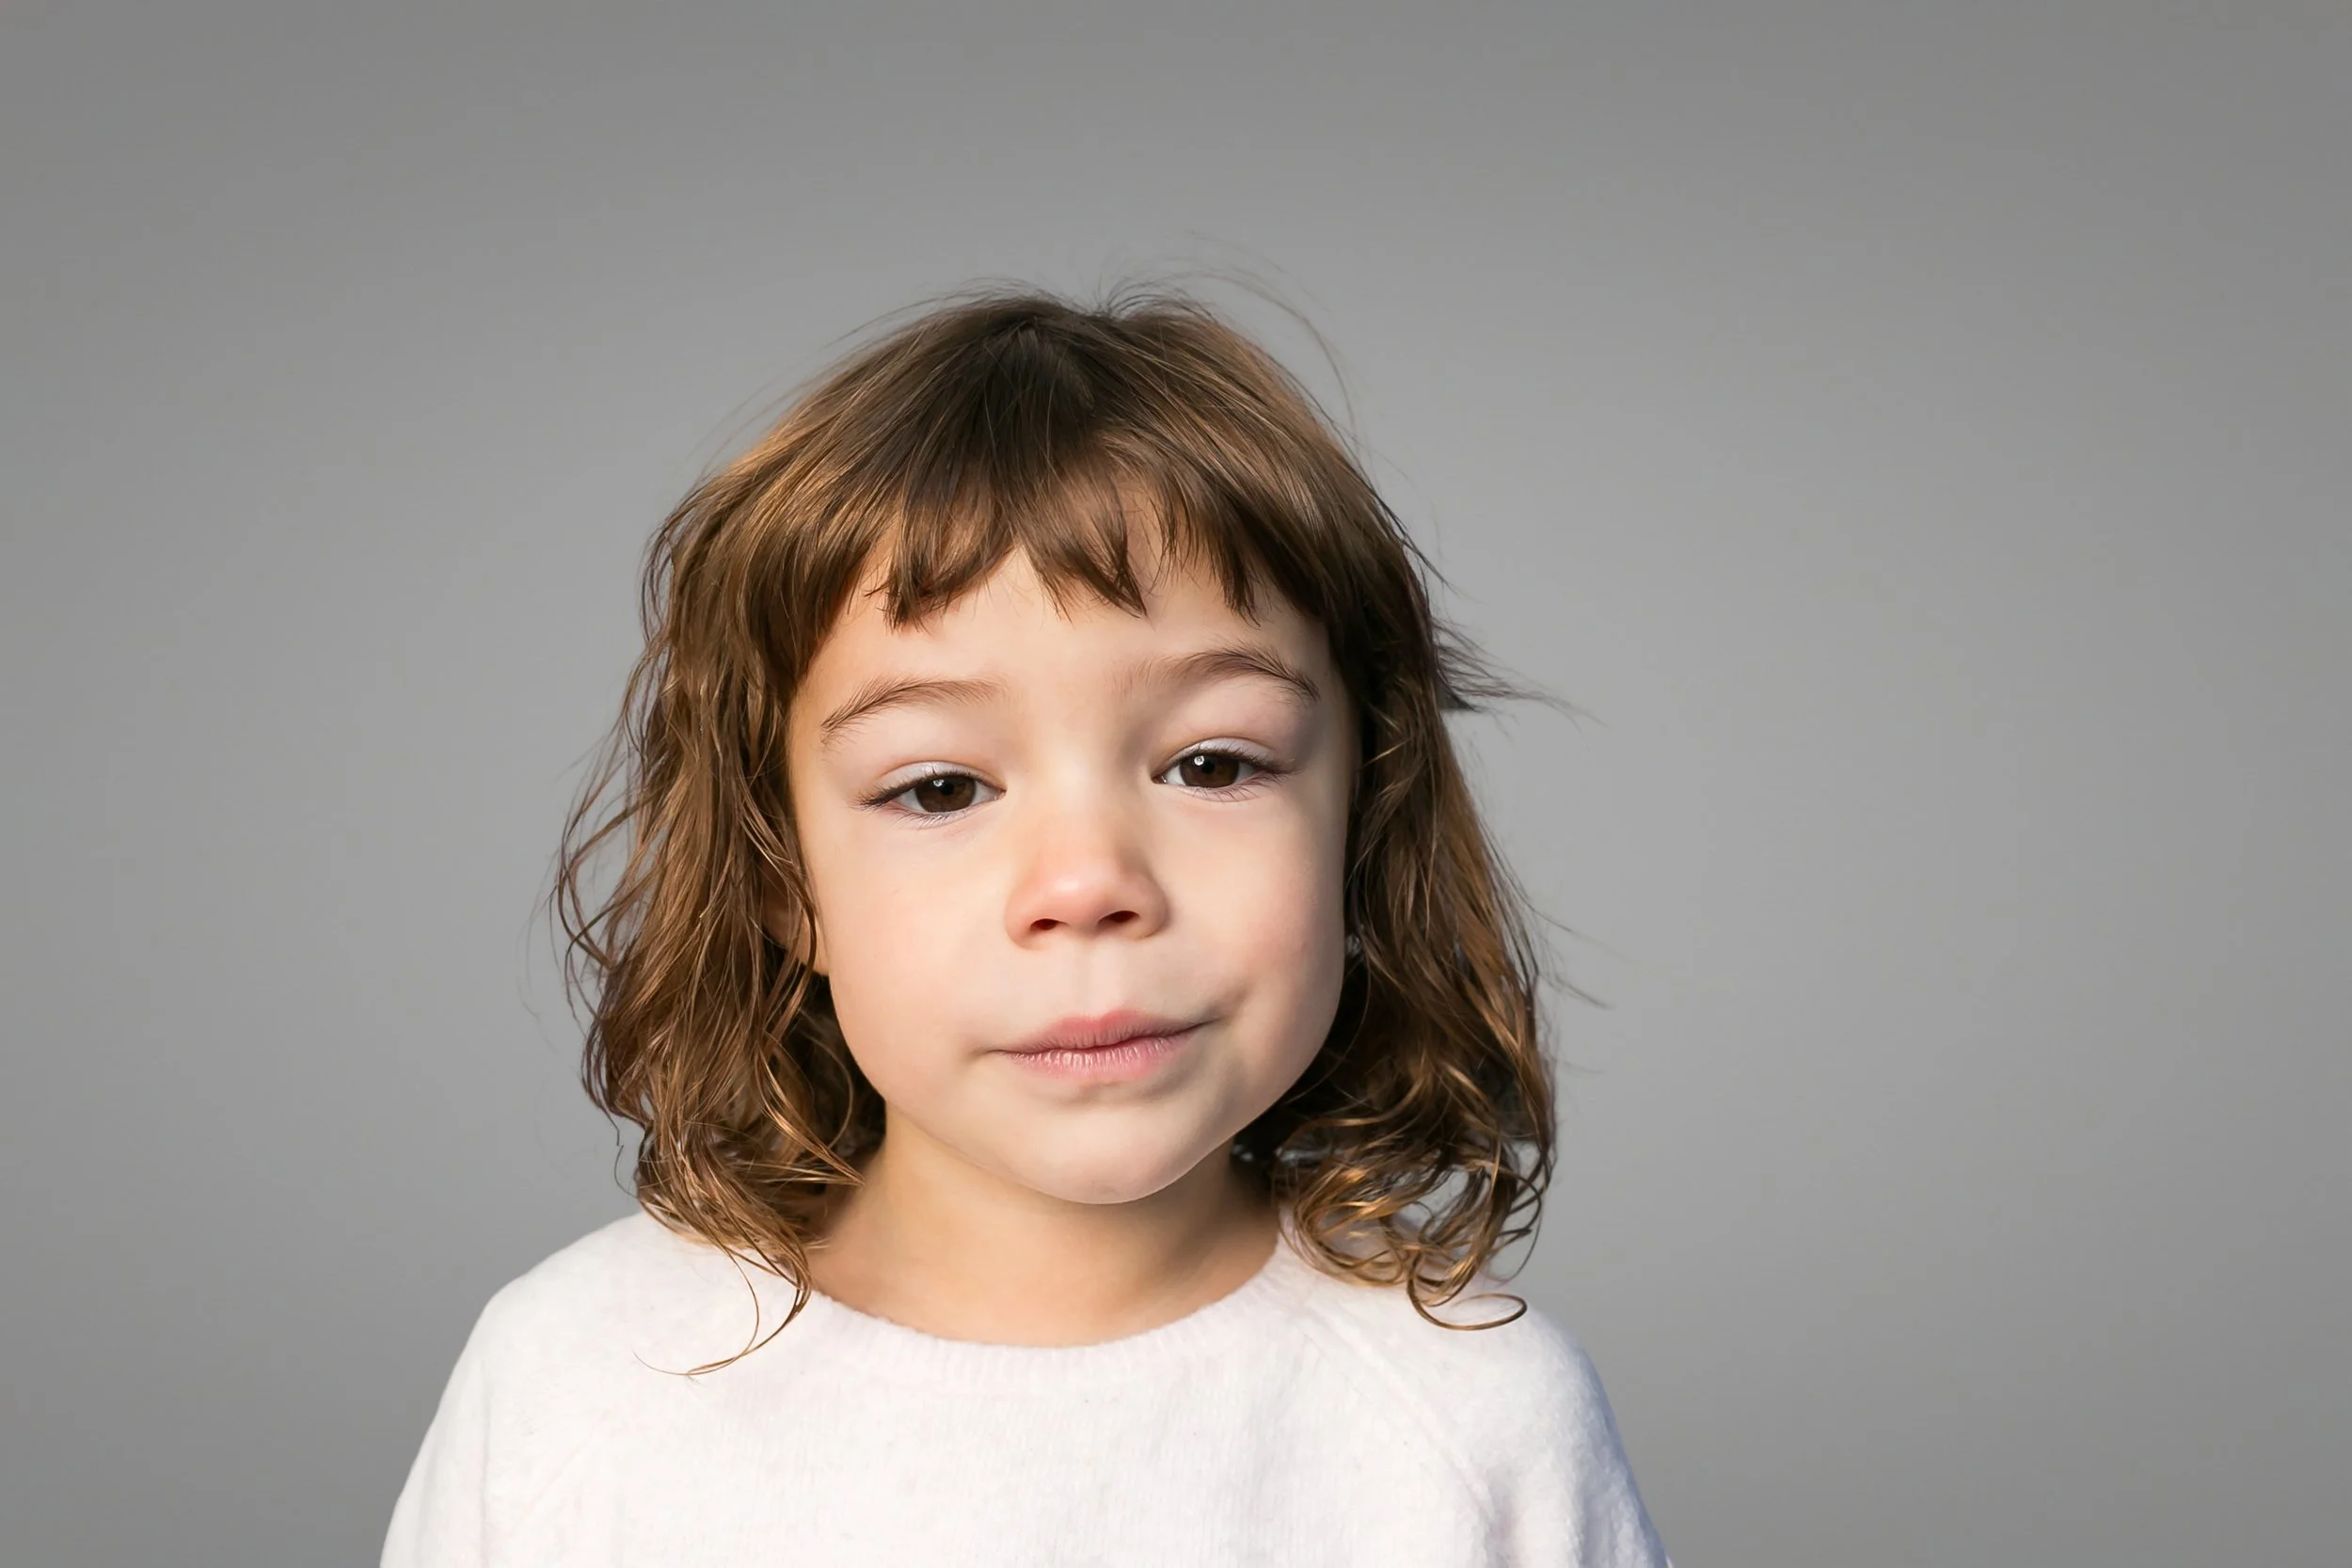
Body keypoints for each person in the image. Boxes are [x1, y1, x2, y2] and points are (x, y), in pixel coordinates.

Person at [380, 282, 1674, 1567]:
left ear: (1362, 819)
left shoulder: (1481, 1420)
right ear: (785, 882)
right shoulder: (579, 1383)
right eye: (941, 787)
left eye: (1214, 764)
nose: (1087, 880)